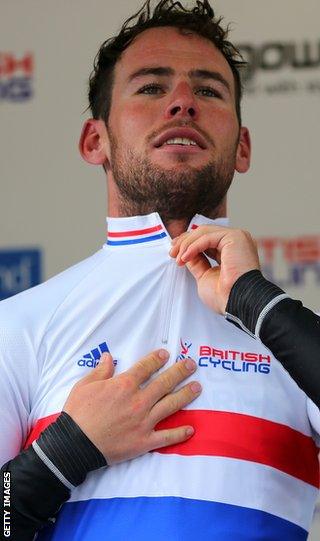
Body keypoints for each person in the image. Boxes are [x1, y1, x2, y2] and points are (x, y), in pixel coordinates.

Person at [1, 1, 319, 540]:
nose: (181, 104)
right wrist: (66, 450)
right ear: (94, 141)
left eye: (209, 91)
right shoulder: (20, 324)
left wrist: (255, 301)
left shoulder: (285, 333)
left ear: (242, 148)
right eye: (151, 87)